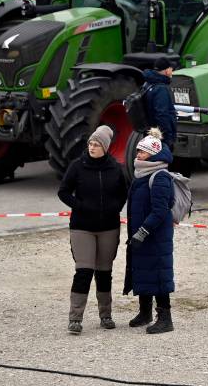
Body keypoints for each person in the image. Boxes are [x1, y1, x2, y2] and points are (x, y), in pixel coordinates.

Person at [57, 125, 128, 334]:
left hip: (108, 227)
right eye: (90, 143)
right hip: (82, 227)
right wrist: (80, 206)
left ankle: (106, 315)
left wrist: (115, 208)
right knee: (84, 271)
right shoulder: (77, 166)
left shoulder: (115, 168)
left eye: (97, 144)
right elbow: (63, 192)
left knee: (104, 273)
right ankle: (75, 318)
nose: (92, 147)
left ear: (105, 147)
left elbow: (123, 193)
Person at [124, 129, 176, 334]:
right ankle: (144, 312)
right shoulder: (141, 174)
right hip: (142, 235)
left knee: (159, 275)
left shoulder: (160, 176)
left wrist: (143, 231)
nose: (138, 155)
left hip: (155, 236)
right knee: (143, 270)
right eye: (138, 151)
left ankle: (165, 318)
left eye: (142, 152)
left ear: (153, 154)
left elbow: (160, 210)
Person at [141, 57, 177, 149]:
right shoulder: (161, 88)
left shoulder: (147, 83)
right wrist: (167, 138)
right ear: (166, 70)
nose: (172, 70)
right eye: (171, 68)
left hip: (149, 133)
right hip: (159, 138)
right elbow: (162, 115)